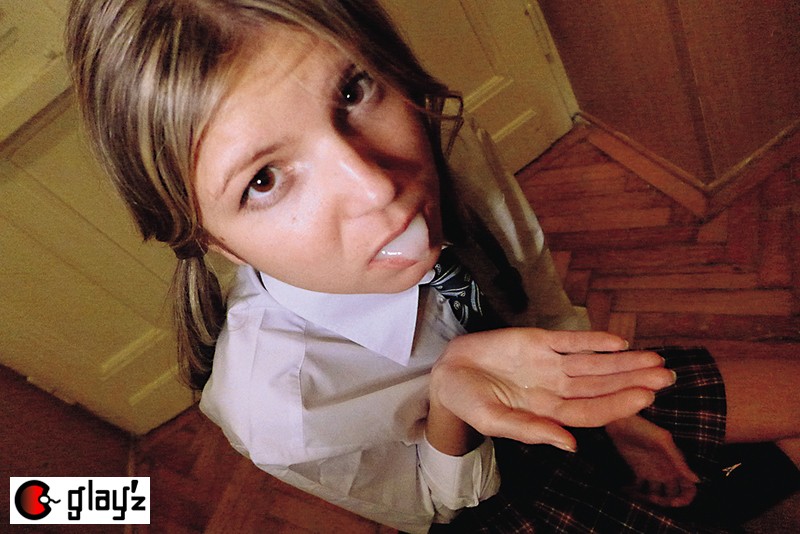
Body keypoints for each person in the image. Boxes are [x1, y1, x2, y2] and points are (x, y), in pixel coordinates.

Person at [65, 1, 800, 532]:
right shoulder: (281, 407)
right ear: (216, 242)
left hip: (576, 383)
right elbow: (437, 507)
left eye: (352, 91)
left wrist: (625, 420)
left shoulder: (455, 154)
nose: (378, 188)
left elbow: (541, 300)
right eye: (263, 180)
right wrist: (451, 401)